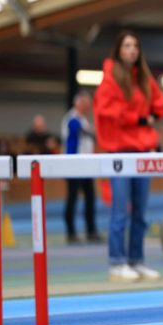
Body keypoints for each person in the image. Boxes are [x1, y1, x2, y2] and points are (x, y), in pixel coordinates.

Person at [94, 31, 163, 282]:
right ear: (118, 50)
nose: (132, 50)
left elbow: (162, 104)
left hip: (142, 152)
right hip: (119, 152)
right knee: (120, 211)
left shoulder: (144, 78)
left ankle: (136, 260)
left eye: (135, 46)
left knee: (140, 212)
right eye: (127, 46)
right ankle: (116, 262)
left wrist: (151, 118)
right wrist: (138, 119)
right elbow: (107, 111)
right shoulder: (110, 79)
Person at [61, 90, 100, 244]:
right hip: (73, 165)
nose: (88, 107)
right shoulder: (72, 119)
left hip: (86, 165)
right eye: (86, 104)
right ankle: (71, 232)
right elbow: (80, 132)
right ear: (79, 103)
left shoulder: (83, 120)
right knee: (72, 199)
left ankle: (91, 230)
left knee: (90, 198)